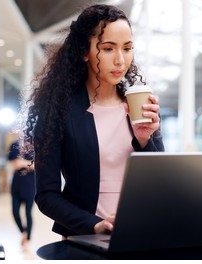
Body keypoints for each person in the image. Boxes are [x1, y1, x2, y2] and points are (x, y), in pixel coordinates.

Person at [19, 4, 164, 238]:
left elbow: (160, 182)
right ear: (84, 51)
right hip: (86, 238)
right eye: (108, 49)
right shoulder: (57, 111)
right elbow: (47, 195)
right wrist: (94, 225)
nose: (120, 60)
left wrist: (145, 140)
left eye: (127, 49)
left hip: (141, 232)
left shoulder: (140, 105)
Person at [7, 139, 35, 250]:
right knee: (15, 212)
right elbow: (13, 164)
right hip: (17, 184)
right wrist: (28, 163)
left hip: (30, 184)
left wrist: (21, 162)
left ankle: (27, 238)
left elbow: (37, 165)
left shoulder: (35, 145)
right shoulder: (14, 145)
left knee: (28, 213)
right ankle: (23, 231)